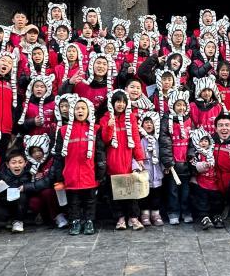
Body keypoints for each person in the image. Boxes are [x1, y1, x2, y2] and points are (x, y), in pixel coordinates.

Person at [53, 95, 105, 236]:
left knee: (90, 201)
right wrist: (59, 176)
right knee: (73, 201)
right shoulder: (63, 130)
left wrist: (100, 172)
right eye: (77, 108)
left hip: (90, 173)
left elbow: (100, 153)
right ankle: (75, 221)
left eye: (83, 108)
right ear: (72, 111)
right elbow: (58, 156)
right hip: (71, 174)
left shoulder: (96, 129)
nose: (80, 111)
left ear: (89, 111)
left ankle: (89, 221)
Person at [101, 90, 146, 230]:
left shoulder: (131, 118)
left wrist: (139, 157)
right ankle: (120, 218)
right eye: (117, 101)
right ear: (112, 103)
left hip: (128, 160)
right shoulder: (105, 118)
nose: (120, 104)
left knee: (131, 192)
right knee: (115, 192)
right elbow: (105, 140)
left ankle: (133, 217)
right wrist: (109, 126)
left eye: (123, 102)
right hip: (113, 160)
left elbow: (136, 138)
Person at [160, 90, 193, 225]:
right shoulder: (166, 120)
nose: (181, 108)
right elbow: (164, 142)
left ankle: (186, 211)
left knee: (186, 191)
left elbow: (193, 141)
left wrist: (191, 155)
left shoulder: (189, 120)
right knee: (172, 191)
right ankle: (173, 212)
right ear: (172, 105)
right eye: (178, 105)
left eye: (184, 105)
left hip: (186, 162)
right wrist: (168, 162)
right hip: (173, 164)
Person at [23, 134, 66, 228]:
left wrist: (42, 177)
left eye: (39, 150)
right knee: (33, 202)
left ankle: (58, 216)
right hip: (36, 193)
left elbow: (50, 180)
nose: (37, 154)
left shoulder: (52, 160)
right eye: (33, 152)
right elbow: (24, 180)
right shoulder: (28, 165)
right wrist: (32, 177)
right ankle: (44, 216)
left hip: (54, 192)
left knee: (47, 192)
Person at [189, 127, 225, 230]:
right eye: (201, 141)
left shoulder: (213, 151)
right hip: (201, 181)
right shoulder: (196, 153)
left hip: (214, 181)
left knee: (216, 200)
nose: (204, 143)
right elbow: (193, 164)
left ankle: (216, 215)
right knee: (202, 200)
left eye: (206, 141)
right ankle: (204, 217)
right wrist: (200, 165)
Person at [0, 150, 32, 233]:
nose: (17, 165)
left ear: (25, 163)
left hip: (23, 202)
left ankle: (18, 221)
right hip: (6, 201)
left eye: (20, 162)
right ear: (7, 165)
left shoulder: (30, 173)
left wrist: (25, 188)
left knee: (22, 197)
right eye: (13, 163)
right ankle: (10, 219)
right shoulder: (1, 174)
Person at [138, 112, 164, 226]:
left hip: (157, 172)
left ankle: (155, 214)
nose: (149, 125)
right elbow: (136, 155)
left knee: (156, 194)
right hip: (145, 171)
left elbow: (163, 154)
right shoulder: (140, 139)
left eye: (151, 123)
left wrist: (165, 167)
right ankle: (145, 214)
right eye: (146, 122)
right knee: (144, 194)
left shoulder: (158, 139)